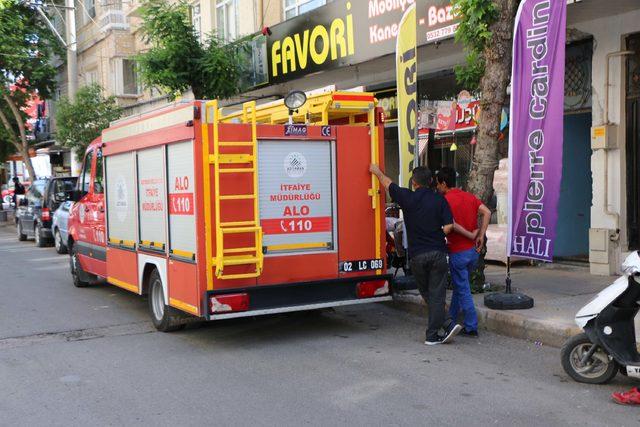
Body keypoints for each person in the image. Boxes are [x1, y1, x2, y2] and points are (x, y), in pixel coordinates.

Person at [370, 163, 462, 345]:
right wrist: (435, 235)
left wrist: (377, 172)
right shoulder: (440, 200)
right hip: (437, 252)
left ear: (414, 182)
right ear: (431, 182)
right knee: (436, 294)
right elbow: (449, 226)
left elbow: (388, 183)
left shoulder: (407, 197)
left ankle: (433, 334)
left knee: (428, 293)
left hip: (417, 255)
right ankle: (446, 323)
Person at [435, 167, 491, 337]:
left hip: (457, 251)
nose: (437, 187)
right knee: (461, 286)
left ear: (444, 183)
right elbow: (487, 212)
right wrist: (480, 234)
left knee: (463, 290)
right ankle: (451, 318)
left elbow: (451, 224)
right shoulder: (468, 196)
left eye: (438, 184)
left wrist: (469, 234)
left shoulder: (445, 201)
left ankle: (471, 326)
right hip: (473, 251)